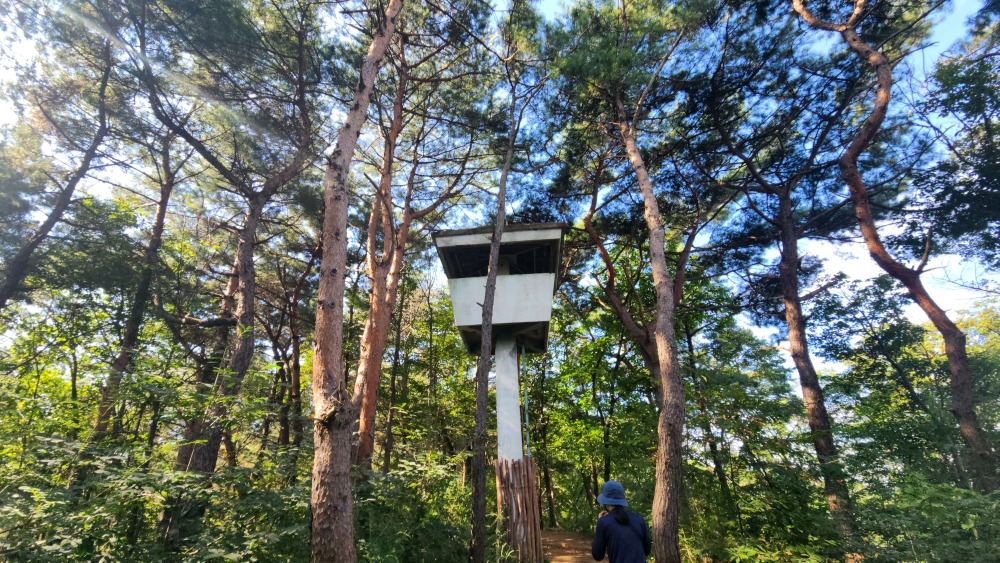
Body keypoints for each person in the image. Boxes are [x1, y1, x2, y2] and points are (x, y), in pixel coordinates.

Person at [591, 480, 651, 562]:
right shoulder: (638, 519)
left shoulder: (604, 522)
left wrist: (599, 526)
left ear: (605, 501)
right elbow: (647, 550)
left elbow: (597, 555)